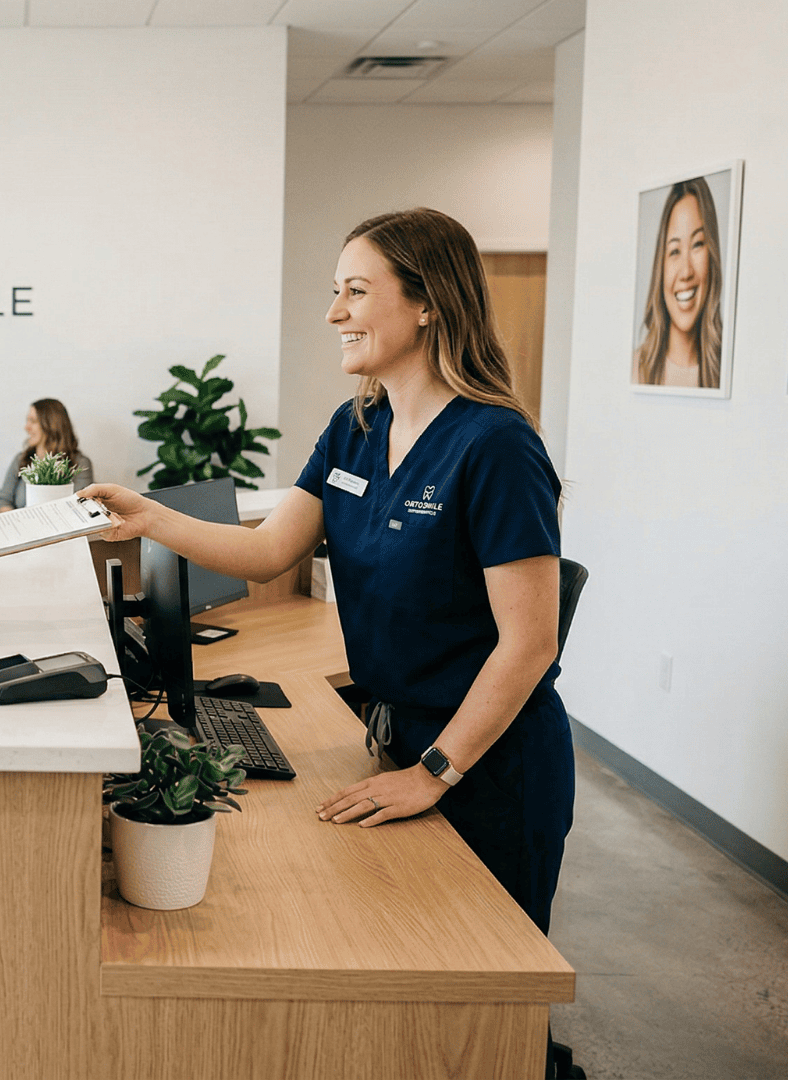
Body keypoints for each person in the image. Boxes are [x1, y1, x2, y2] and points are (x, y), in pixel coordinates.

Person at [81, 207, 573, 936]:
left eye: (356, 291)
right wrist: (149, 518)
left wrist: (435, 772)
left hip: (489, 763)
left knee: (480, 983)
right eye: (336, 290)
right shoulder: (357, 426)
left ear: (429, 301)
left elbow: (530, 643)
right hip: (397, 735)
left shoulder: (495, 446)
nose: (333, 311)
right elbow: (268, 550)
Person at [634, 178, 724, 388]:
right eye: (674, 250)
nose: (686, 272)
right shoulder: (634, 369)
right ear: (660, 266)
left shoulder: (730, 371)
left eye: (697, 245)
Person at [0, 397, 95, 511]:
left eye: (33, 421)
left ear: (52, 425)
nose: (27, 427)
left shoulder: (80, 464)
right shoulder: (21, 459)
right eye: (27, 420)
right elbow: (3, 501)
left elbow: (82, 507)